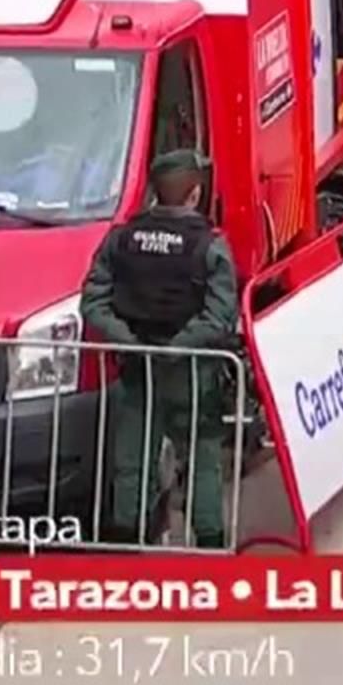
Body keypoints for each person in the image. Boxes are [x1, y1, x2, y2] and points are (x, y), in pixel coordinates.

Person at [78, 149, 240, 547]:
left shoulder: (122, 239)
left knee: (132, 460)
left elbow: (93, 303)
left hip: (137, 369)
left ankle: (127, 544)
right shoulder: (209, 246)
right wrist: (177, 347)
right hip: (192, 371)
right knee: (201, 458)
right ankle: (209, 545)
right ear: (195, 194)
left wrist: (129, 342)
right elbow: (219, 316)